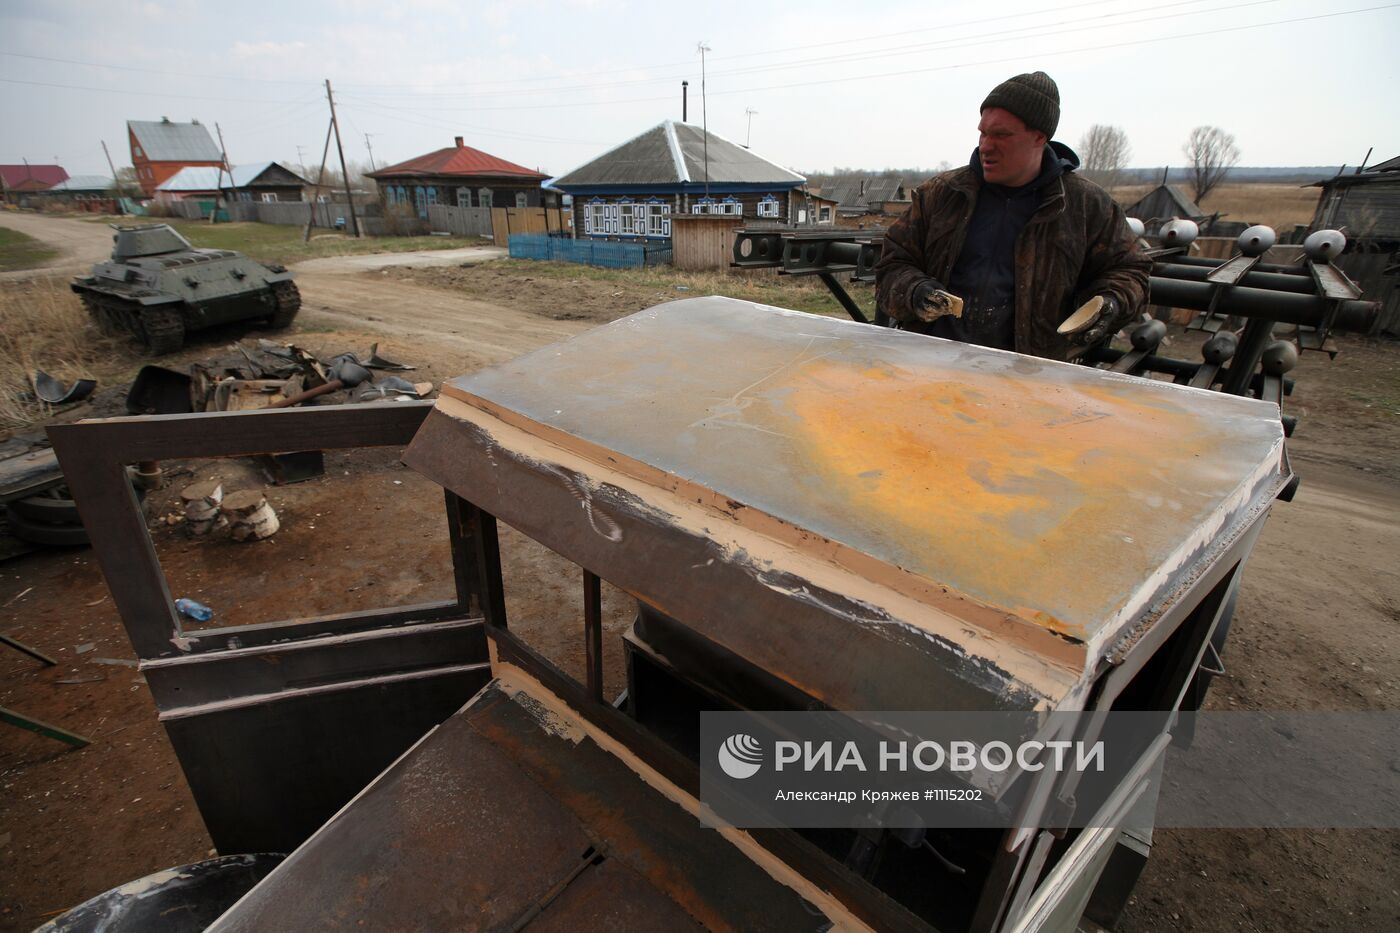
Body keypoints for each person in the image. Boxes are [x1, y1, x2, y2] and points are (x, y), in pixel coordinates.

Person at [874, 71, 1150, 361]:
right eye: (983, 132)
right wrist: (914, 291)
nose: (986, 145)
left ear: (1039, 137)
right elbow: (893, 262)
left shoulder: (1086, 206)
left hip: (1027, 376)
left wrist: (1111, 303)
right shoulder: (942, 194)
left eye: (1001, 135)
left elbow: (1130, 272)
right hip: (930, 363)